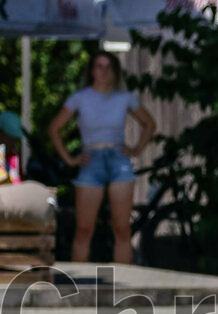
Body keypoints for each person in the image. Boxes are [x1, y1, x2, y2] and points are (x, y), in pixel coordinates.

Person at [48, 50, 156, 264]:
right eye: (99, 66)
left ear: (115, 71)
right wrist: (70, 159)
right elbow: (54, 129)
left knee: (122, 229)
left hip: (118, 159)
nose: (103, 72)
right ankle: (77, 287)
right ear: (92, 71)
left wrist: (136, 149)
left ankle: (122, 289)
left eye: (108, 67)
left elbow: (149, 124)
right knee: (84, 229)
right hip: (91, 159)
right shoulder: (79, 98)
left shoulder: (125, 98)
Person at [0, 110, 23, 185]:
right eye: (11, 138)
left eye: (15, 139)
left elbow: (17, 182)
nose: (14, 142)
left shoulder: (14, 155)